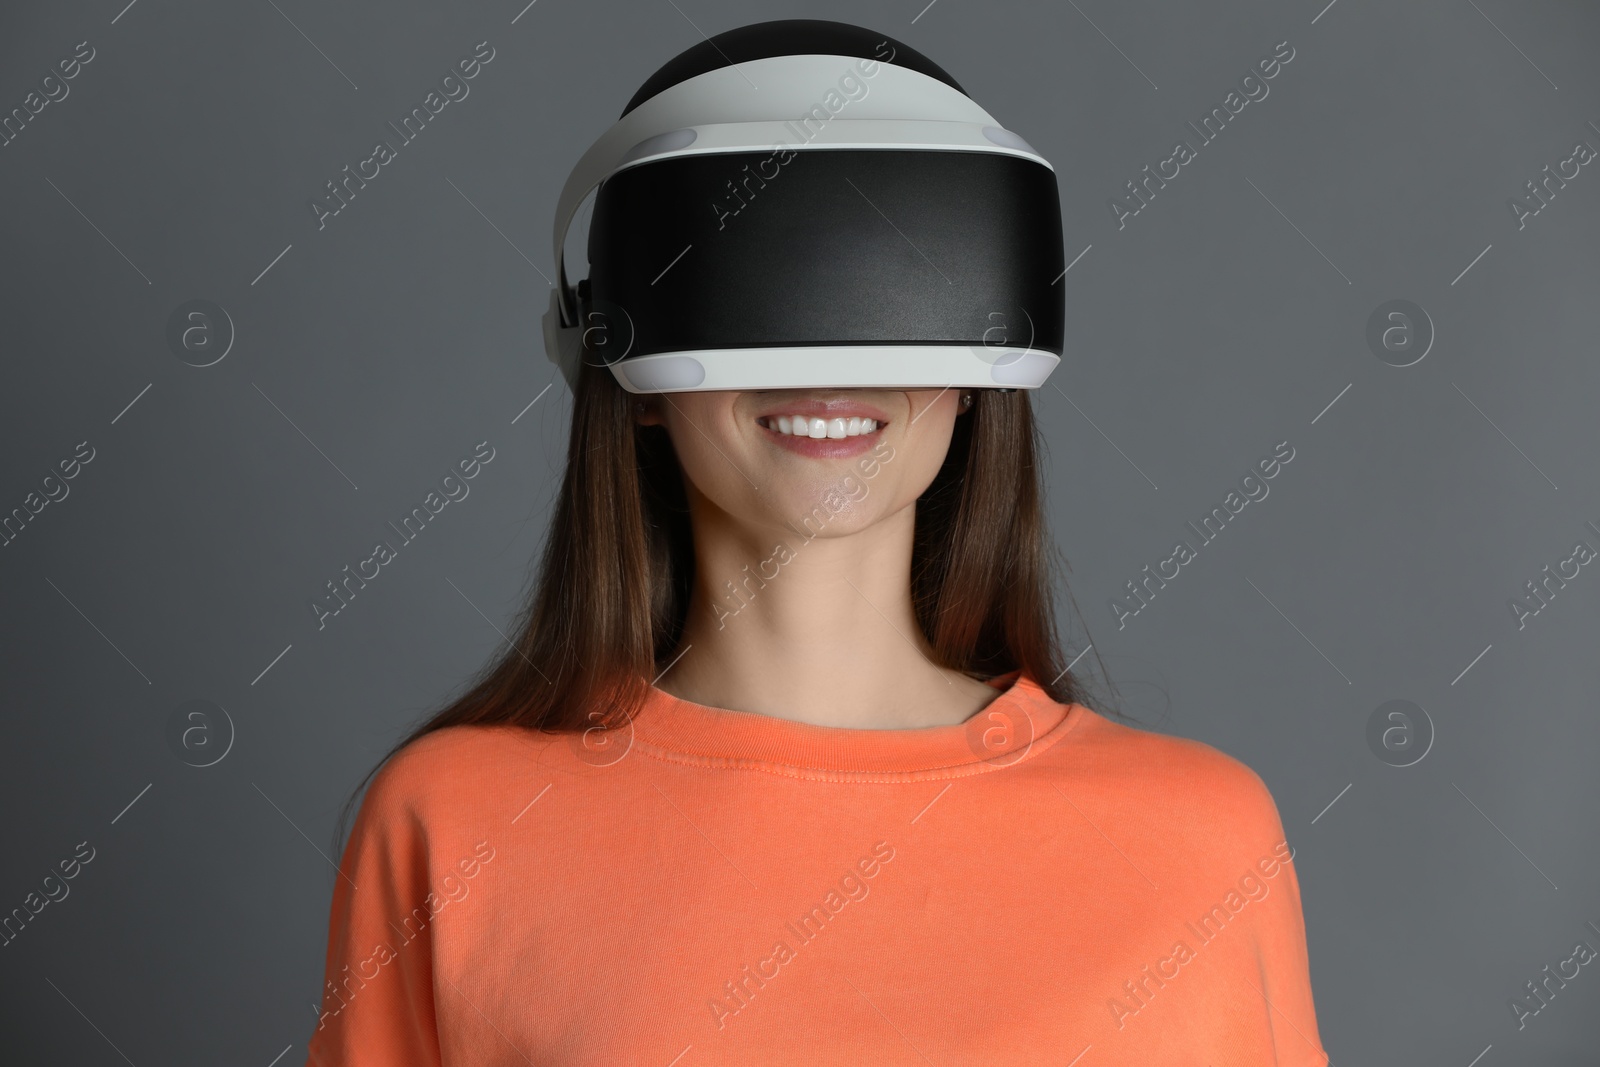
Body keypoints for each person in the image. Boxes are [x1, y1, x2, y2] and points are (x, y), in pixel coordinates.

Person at [304, 21, 1329, 1067]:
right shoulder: (452, 823)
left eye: (901, 270)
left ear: (982, 369)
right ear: (624, 364)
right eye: (752, 269)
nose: (827, 364)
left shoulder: (1199, 841)